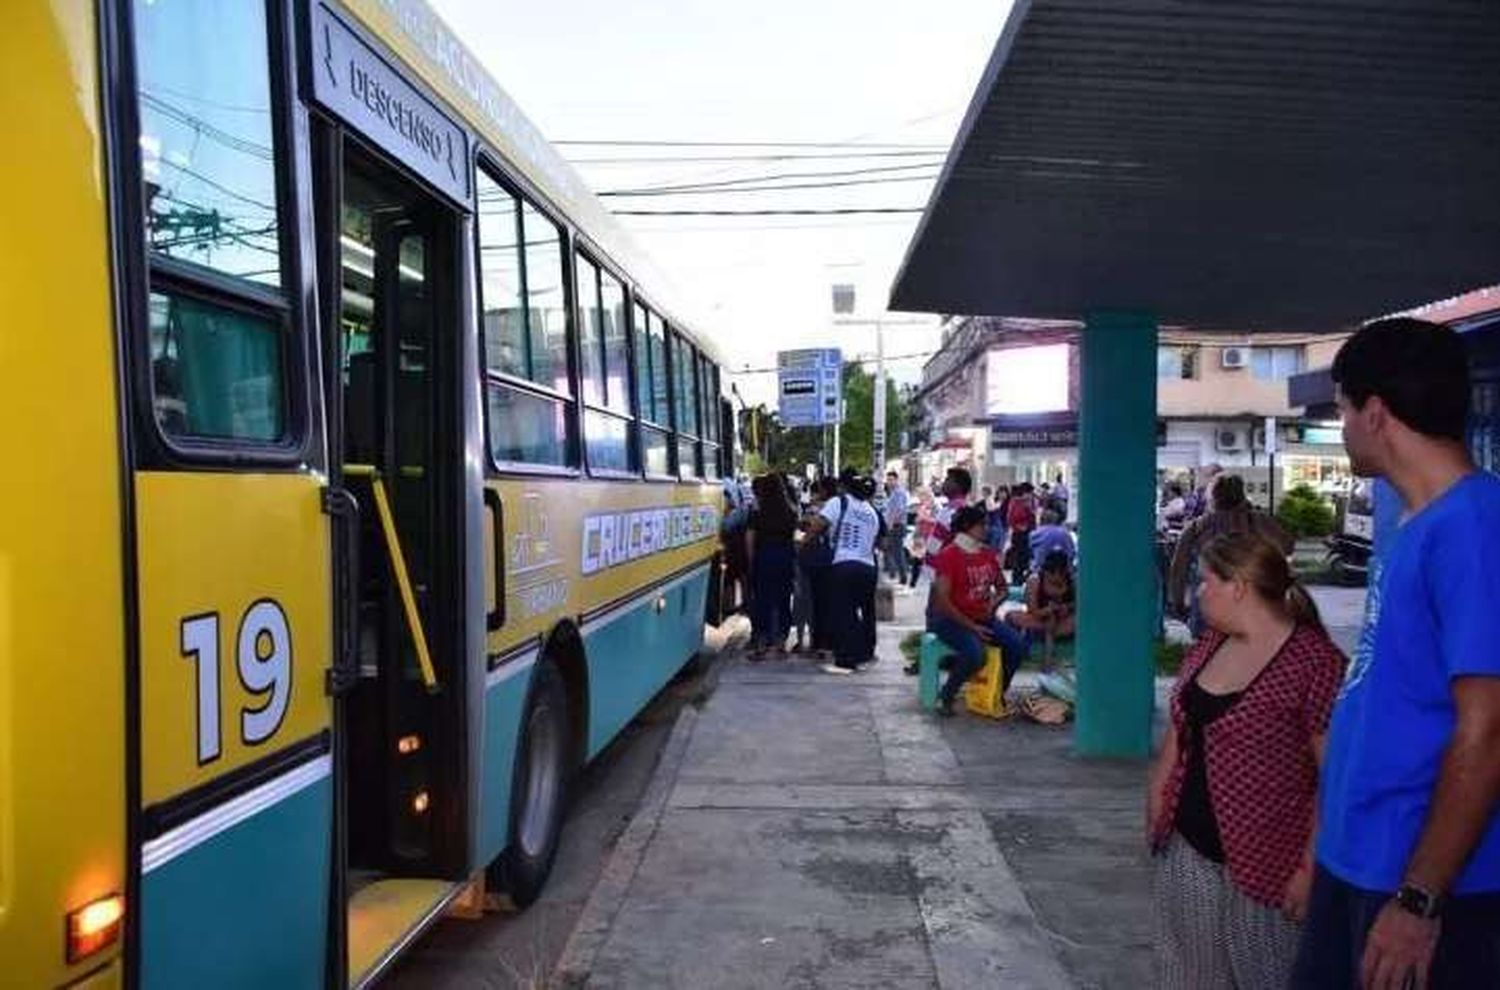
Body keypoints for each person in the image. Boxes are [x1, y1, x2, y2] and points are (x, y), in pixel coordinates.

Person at [1291, 318, 1500, 989]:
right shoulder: (1416, 524)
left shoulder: (1474, 527)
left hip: (1426, 887)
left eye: (1345, 408)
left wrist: (1419, 898)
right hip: (1359, 863)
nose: (1343, 424)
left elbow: (1489, 728)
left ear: (1376, 414)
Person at [1148, 531, 1347, 988]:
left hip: (1270, 862)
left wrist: (1309, 867)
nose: (1199, 593)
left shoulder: (1314, 663)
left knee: (1265, 974)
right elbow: (1183, 728)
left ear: (1238, 586)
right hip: (1188, 847)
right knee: (1188, 973)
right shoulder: (1210, 646)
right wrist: (1158, 793)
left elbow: (1332, 776)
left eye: (1205, 581)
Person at [926, 505, 1029, 715]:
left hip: (982, 617)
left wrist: (993, 603)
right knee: (976, 654)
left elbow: (1002, 588)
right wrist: (972, 627)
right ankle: (946, 695)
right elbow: (942, 601)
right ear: (966, 527)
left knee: (1017, 646)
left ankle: (997, 693)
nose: (987, 529)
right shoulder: (949, 555)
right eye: (982, 525)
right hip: (950, 619)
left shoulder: (987, 554)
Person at [1168, 474, 1293, 637]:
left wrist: (1177, 603)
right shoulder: (1258, 521)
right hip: (1250, 603)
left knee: (1209, 656)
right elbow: (1288, 546)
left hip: (1208, 606)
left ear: (1213, 498)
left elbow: (1178, 570)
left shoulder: (1196, 527)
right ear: (1241, 496)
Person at [806, 470, 883, 673]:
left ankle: (847, 658)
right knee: (856, 612)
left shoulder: (839, 502)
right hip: (868, 567)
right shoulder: (871, 511)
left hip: (845, 564)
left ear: (845, 488)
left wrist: (804, 542)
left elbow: (817, 526)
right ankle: (862, 653)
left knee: (842, 613)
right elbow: (876, 541)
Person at [745, 474, 798, 660]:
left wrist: (751, 562)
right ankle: (781, 644)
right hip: (785, 557)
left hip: (765, 556)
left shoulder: (757, 510)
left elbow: (750, 538)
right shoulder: (790, 510)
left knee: (763, 600)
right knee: (783, 600)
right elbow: (794, 535)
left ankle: (761, 644)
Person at [1005, 549, 1076, 670]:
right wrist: (1048, 610)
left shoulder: (1071, 581)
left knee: (1076, 620)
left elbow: (1079, 604)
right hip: (1038, 620)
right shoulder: (1035, 581)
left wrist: (1066, 607)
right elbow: (1033, 610)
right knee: (1011, 616)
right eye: (1052, 575)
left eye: (1060, 575)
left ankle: (1049, 653)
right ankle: (1019, 651)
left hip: (1062, 622)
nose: (1056, 578)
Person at [800, 476, 841, 660]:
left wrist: (803, 541)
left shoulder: (825, 506)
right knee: (828, 603)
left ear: (824, 490)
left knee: (819, 604)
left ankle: (820, 644)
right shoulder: (843, 504)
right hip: (834, 560)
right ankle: (829, 642)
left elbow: (812, 526)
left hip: (821, 560)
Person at [1027, 507, 1076, 577]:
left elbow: (1030, 554)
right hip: (1065, 572)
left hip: (1040, 572)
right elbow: (1072, 553)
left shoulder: (1034, 534)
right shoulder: (1065, 533)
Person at [882, 470, 911, 586]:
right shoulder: (893, 493)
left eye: (891, 480)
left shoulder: (899, 493)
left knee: (897, 552)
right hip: (894, 525)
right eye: (888, 480)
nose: (889, 482)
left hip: (896, 526)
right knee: (890, 550)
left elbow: (899, 510)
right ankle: (894, 574)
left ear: (896, 480)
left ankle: (902, 577)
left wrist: (891, 523)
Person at [1005, 482, 1038, 583]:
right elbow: (1010, 519)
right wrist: (1019, 526)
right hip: (1019, 534)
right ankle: (1017, 579)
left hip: (1027, 533)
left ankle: (1022, 578)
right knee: (1019, 557)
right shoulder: (1016, 502)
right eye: (1030, 492)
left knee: (1025, 557)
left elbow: (1033, 518)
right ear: (1025, 492)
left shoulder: (1029, 502)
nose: (1031, 495)